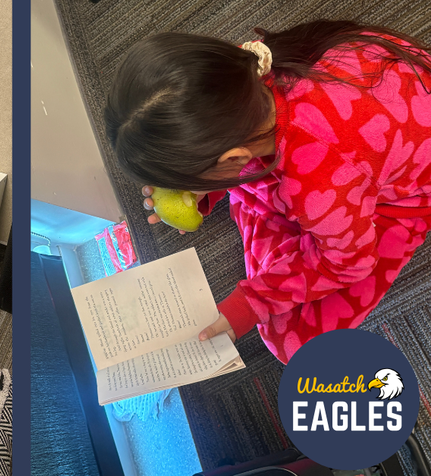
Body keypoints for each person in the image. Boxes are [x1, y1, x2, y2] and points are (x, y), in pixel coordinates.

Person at [105, 21, 431, 363]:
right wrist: (207, 187)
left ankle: (275, 219)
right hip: (383, 108)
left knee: (291, 341)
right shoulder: (249, 70)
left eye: (189, 179)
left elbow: (350, 264)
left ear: (233, 157)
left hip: (409, 194)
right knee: (259, 189)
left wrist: (253, 301)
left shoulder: (317, 182)